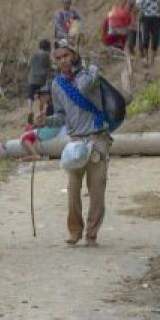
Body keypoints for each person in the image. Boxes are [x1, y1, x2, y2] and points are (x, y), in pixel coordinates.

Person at [45, 39, 111, 246]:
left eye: (65, 55)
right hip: (75, 143)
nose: (62, 61)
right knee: (73, 191)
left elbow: (83, 89)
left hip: (97, 138)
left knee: (97, 190)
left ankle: (92, 234)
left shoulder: (89, 74)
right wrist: (44, 121)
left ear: (74, 54)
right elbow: (60, 116)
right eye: (58, 58)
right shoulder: (57, 84)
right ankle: (75, 231)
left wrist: (83, 68)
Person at [135, 0, 160, 66]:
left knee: (156, 38)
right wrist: (141, 7)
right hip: (146, 17)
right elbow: (137, 5)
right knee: (145, 37)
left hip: (156, 17)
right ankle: (145, 58)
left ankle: (153, 59)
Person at [27, 39, 54, 124]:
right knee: (43, 96)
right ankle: (41, 113)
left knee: (30, 96)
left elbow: (29, 65)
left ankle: (29, 109)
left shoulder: (33, 55)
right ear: (48, 48)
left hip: (31, 80)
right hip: (42, 80)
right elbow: (49, 68)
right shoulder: (46, 55)